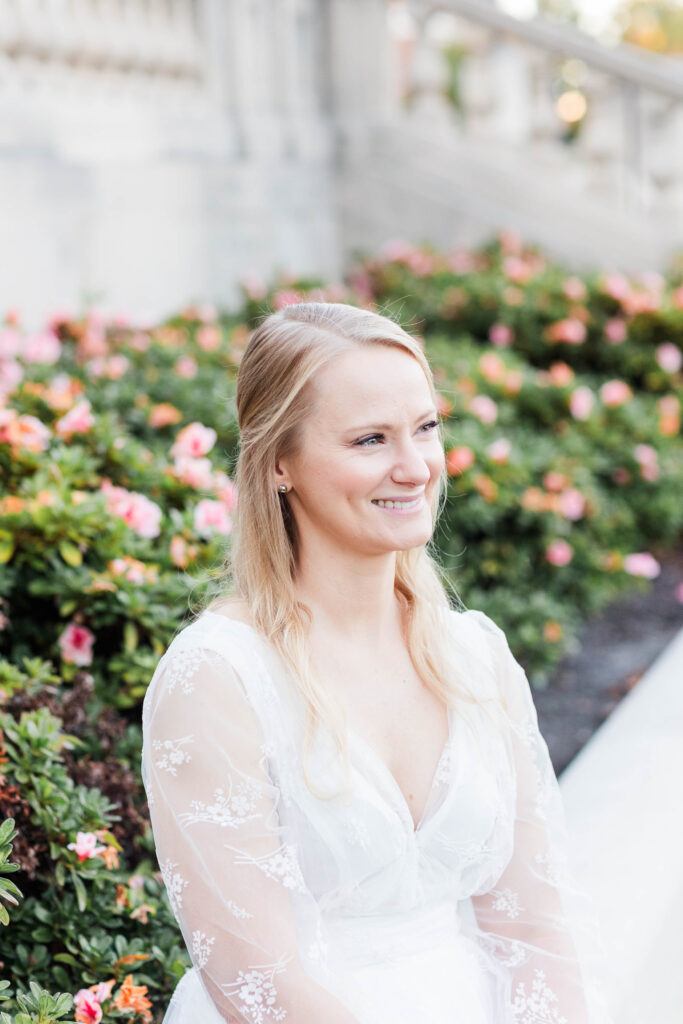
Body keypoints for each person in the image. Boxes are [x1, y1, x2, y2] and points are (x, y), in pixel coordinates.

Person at [141, 302, 612, 1023]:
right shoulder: (219, 676)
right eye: (369, 439)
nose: (413, 466)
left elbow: (534, 931)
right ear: (278, 465)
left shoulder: (473, 655)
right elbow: (258, 981)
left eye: (425, 428)